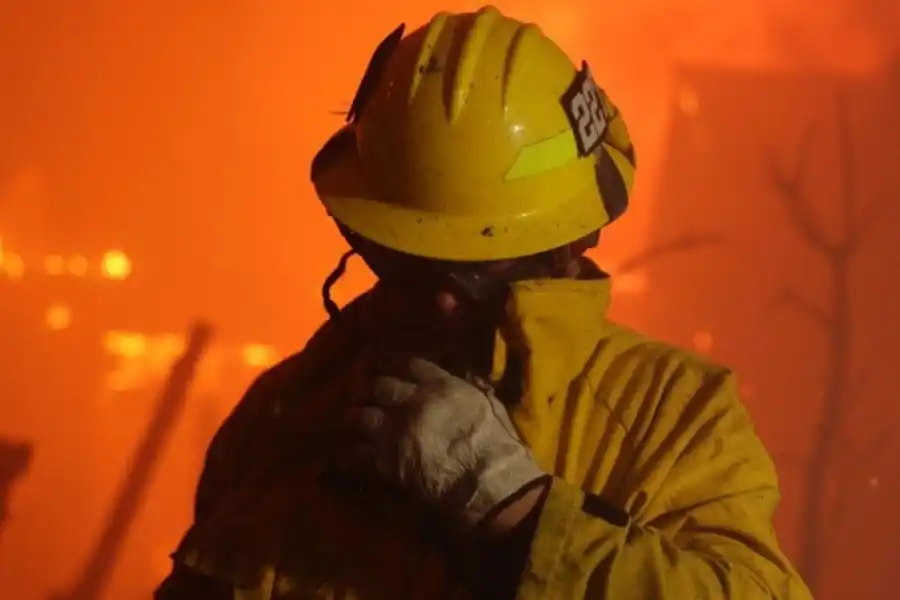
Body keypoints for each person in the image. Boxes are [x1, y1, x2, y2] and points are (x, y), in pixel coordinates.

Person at [155, 6, 811, 599]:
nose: (441, 303)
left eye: (479, 267)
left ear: (568, 244)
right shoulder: (286, 412)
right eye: (410, 261)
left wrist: (521, 514)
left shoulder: (673, 420)